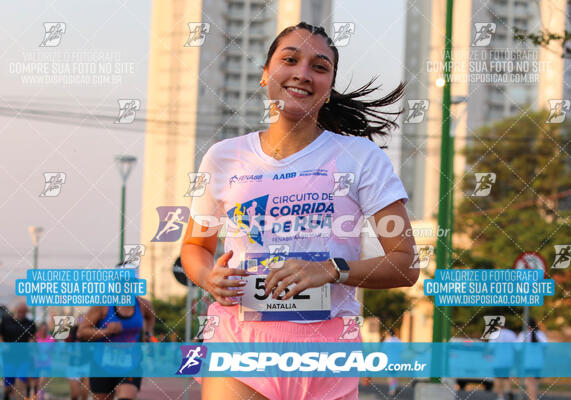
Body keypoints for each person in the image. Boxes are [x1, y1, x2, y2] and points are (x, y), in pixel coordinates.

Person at [181, 21, 418, 400]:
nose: (302, 73)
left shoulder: (361, 158)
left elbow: (405, 264)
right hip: (240, 344)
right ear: (265, 75)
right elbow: (195, 247)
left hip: (328, 354)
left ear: (328, 89)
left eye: (319, 67)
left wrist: (329, 271)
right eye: (289, 59)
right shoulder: (223, 157)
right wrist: (209, 278)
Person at [77, 296, 155, 400]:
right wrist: (106, 332)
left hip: (130, 364)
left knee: (127, 397)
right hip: (102, 365)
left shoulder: (142, 304)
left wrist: (148, 333)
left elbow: (150, 317)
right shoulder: (103, 305)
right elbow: (81, 332)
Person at [0, 302, 36, 400]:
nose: (22, 313)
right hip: (9, 357)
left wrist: (32, 345)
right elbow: (0, 336)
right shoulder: (6, 320)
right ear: (16, 310)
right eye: (20, 311)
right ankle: (6, 395)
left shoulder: (30, 323)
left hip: (23, 357)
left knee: (20, 382)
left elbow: (32, 338)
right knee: (8, 386)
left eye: (24, 312)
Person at [517, 318, 548, 400]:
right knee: (535, 383)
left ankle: (532, 398)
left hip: (528, 362)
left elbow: (517, 348)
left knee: (530, 383)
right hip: (538, 362)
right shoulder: (541, 334)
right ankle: (533, 398)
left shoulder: (523, 334)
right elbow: (545, 347)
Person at [488, 324, 517, 400]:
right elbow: (516, 347)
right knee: (506, 377)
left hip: (497, 360)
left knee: (497, 378)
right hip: (508, 360)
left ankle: (500, 396)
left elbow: (491, 347)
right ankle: (508, 390)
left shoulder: (494, 334)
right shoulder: (511, 334)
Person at [66, 317, 91, 400]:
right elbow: (66, 349)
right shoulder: (71, 333)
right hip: (73, 366)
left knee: (85, 393)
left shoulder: (89, 333)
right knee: (75, 395)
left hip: (86, 365)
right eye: (81, 320)